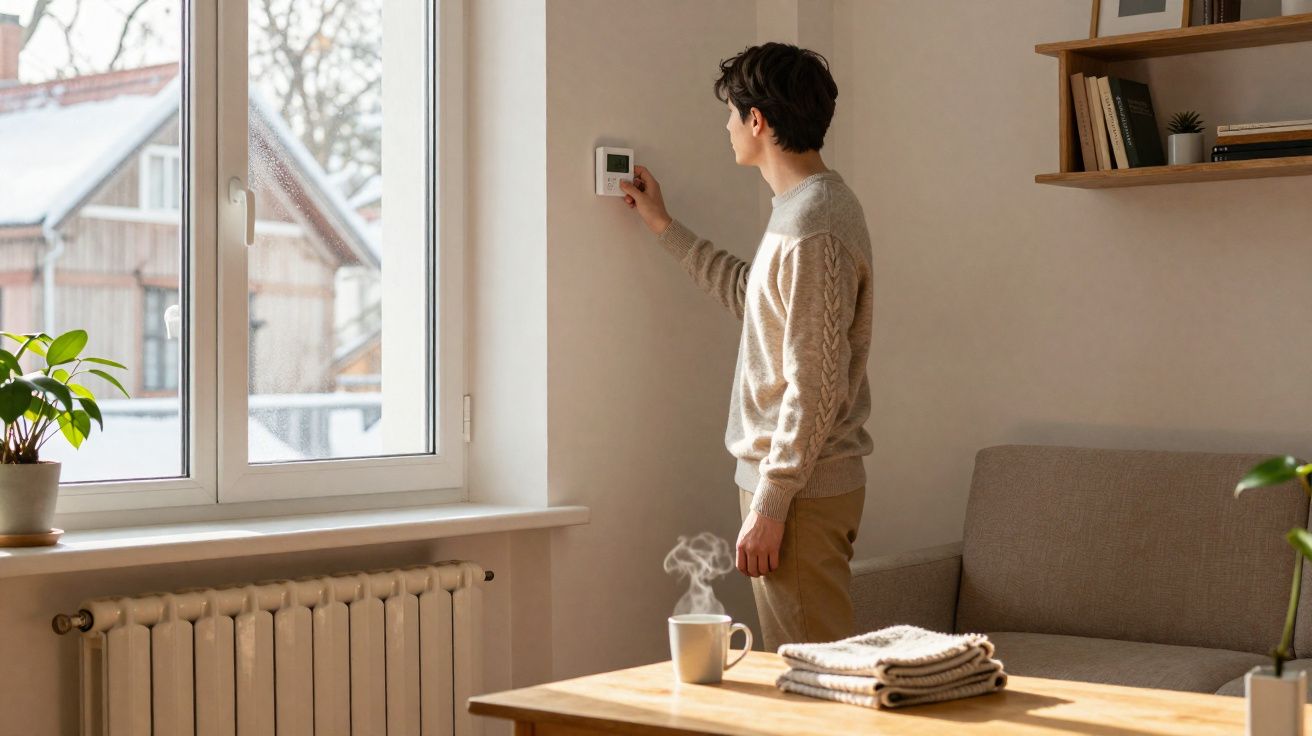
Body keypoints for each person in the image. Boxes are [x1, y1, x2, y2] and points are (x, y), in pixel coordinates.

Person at [619, 42, 874, 650]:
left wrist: (772, 502)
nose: (727, 127)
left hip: (800, 488)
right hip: (789, 480)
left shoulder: (814, 224)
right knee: (803, 666)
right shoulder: (800, 211)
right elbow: (751, 296)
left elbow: (815, 384)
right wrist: (661, 223)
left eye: (731, 114)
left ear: (756, 120)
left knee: (814, 673)